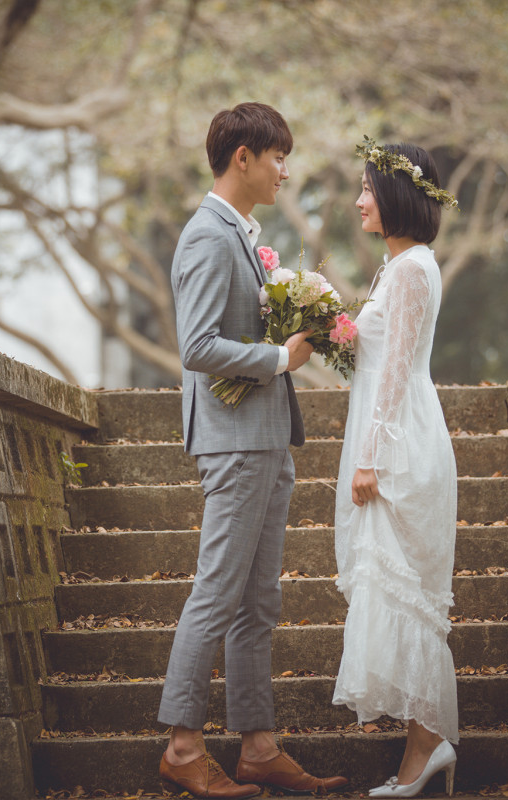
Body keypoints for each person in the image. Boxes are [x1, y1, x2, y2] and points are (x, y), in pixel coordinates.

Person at [157, 102, 349, 798]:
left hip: (265, 441)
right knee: (217, 593)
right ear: (244, 157)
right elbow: (198, 347)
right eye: (277, 158)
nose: (285, 171)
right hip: (235, 446)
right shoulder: (208, 235)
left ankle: (258, 745)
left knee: (258, 603)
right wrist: (277, 357)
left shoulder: (238, 233)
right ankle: (182, 745)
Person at [333, 139, 460, 797]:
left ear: (395, 196)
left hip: (403, 447)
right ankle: (425, 743)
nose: (359, 201)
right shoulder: (396, 268)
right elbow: (370, 359)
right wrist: (329, 317)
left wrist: (370, 459)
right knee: (399, 595)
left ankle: (428, 745)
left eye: (366, 189)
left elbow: (398, 374)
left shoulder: (411, 270)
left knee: (408, 596)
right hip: (394, 437)